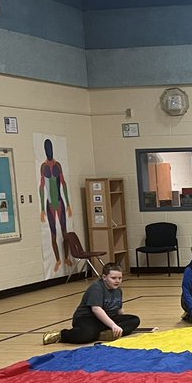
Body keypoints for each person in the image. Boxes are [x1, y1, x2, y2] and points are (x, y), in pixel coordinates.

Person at [43, 263, 141, 345]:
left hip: (106, 319)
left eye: (120, 278)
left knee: (134, 320)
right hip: (88, 318)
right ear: (104, 277)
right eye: (113, 278)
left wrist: (121, 322)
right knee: (86, 335)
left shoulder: (118, 290)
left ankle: (102, 333)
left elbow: (119, 309)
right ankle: (61, 334)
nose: (117, 281)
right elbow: (96, 309)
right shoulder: (97, 288)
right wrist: (113, 325)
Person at [38, 137, 73, 274]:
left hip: (59, 202)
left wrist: (68, 204)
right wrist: (42, 208)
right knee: (53, 234)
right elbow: (41, 187)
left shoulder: (58, 165)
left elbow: (63, 183)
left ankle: (66, 257)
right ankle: (58, 259)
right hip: (50, 203)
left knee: (64, 233)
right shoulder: (43, 166)